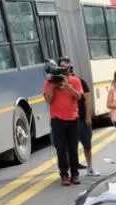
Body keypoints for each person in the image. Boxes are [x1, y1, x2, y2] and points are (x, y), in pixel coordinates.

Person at [44, 56, 83, 186]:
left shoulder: (75, 81)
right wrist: (52, 87)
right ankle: (64, 175)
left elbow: (78, 97)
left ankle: (75, 173)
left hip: (73, 119)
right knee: (61, 148)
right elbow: (48, 100)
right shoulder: (49, 83)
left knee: (73, 148)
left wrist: (68, 87)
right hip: (57, 120)